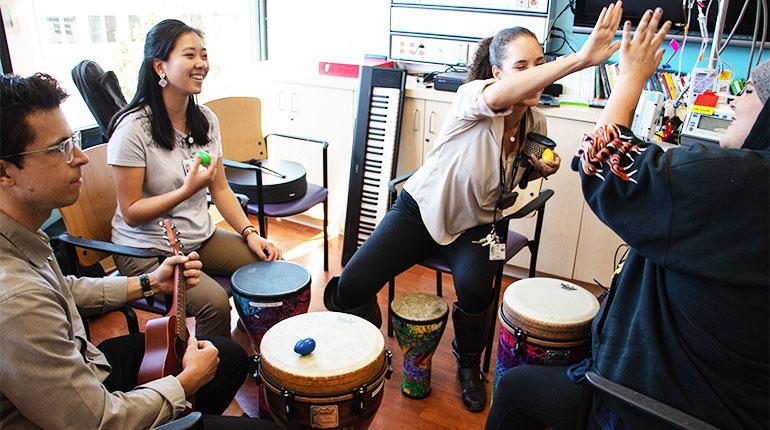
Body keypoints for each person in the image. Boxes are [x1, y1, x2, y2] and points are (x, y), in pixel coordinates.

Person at [323, 3, 625, 411]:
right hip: (422, 211)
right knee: (351, 285)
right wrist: (582, 59)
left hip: (479, 227)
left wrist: (537, 169)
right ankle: (373, 346)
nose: (535, 74)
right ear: (497, 74)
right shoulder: (474, 98)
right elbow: (500, 98)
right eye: (522, 67)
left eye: (540, 63)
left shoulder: (537, 126)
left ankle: (468, 365)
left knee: (477, 290)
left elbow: (515, 176)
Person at [486, 8, 769, 430]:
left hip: (645, 402)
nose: (734, 101)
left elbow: (599, 164)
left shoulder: (738, 182)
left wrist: (630, 77)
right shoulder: (478, 101)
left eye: (748, 93)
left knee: (516, 389)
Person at [0, 73, 280, 429]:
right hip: (94, 412)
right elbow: (96, 420)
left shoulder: (24, 235)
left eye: (72, 141)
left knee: (228, 356)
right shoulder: (15, 299)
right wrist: (184, 383)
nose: (81, 159)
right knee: (212, 318)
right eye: (60, 148)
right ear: (4, 172)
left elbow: (63, 290)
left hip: (87, 361)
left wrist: (150, 283)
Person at [107, 19, 282, 339]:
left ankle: (253, 343)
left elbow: (221, 188)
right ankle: (206, 381)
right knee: (214, 304)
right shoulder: (132, 130)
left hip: (197, 237)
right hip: (147, 251)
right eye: (190, 55)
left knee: (268, 265)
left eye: (203, 55)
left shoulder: (206, 121)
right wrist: (186, 190)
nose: (201, 63)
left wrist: (249, 233)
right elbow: (131, 212)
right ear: (160, 66)